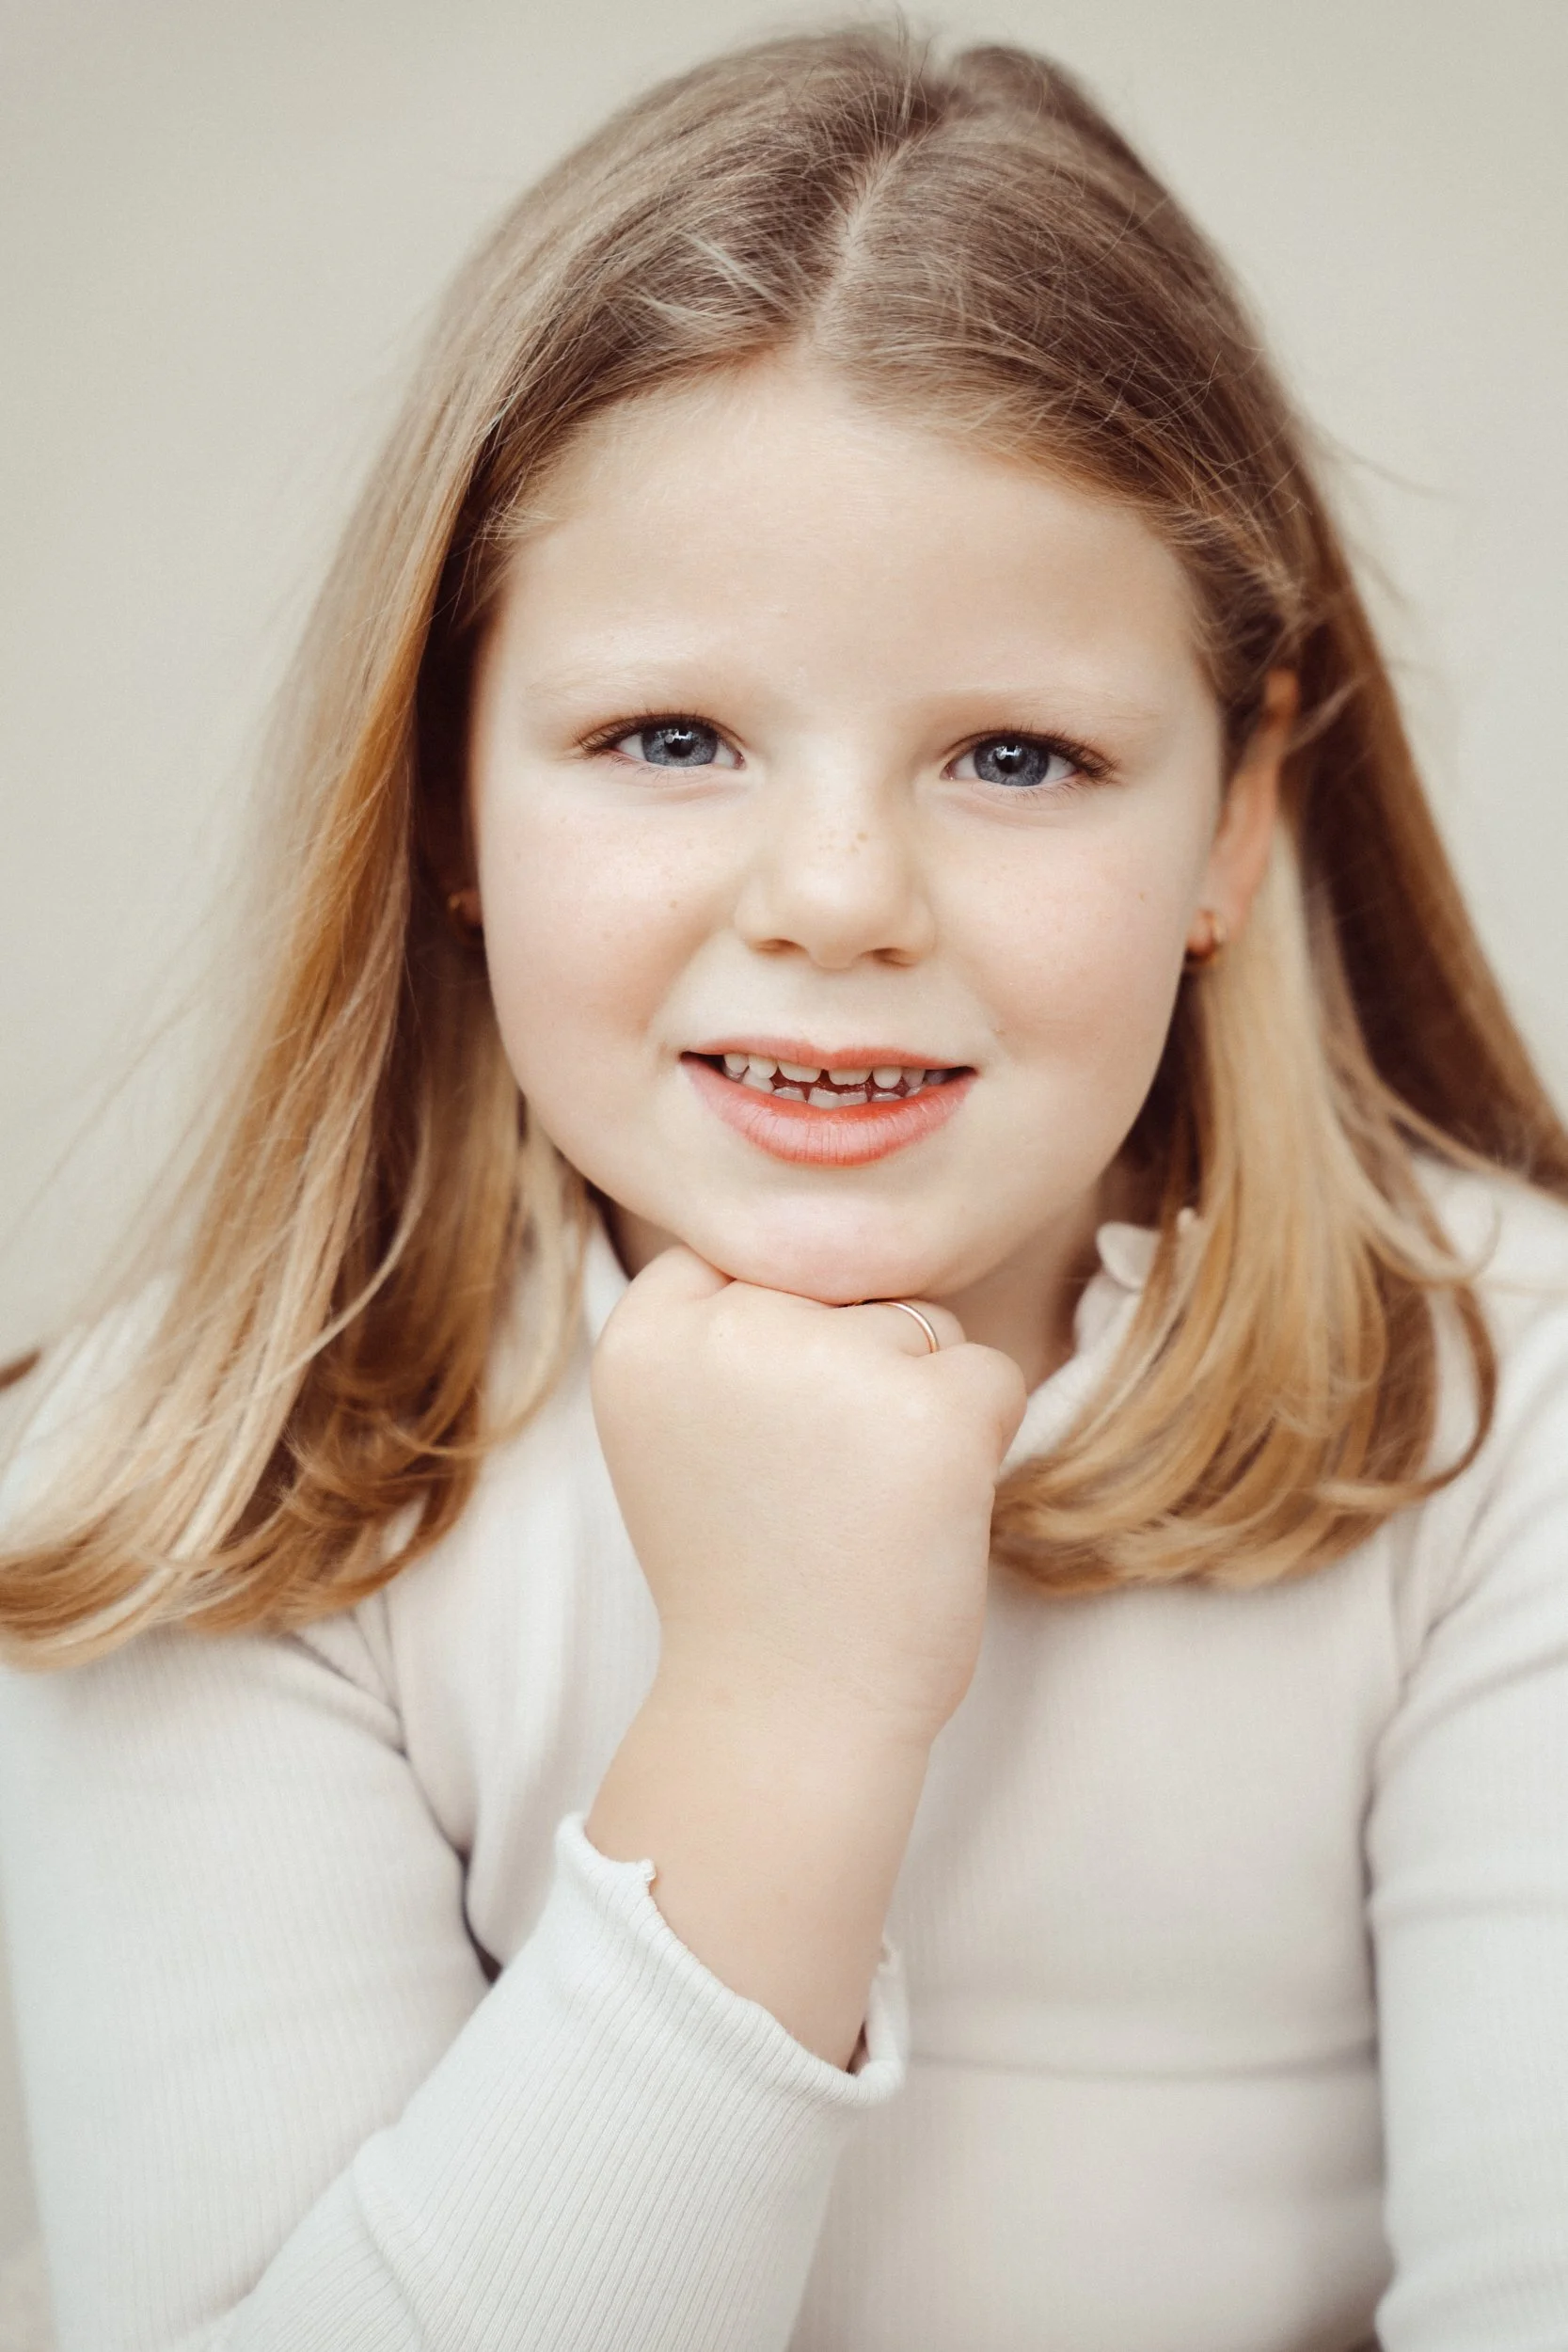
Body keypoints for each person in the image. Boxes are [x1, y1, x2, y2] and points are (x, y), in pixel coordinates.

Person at [1, 24, 1565, 2352]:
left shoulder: (1504, 1419)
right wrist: (777, 1709)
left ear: (1235, 813)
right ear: (442, 790)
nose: (836, 894)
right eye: (669, 737)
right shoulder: (205, 1481)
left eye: (1014, 754)